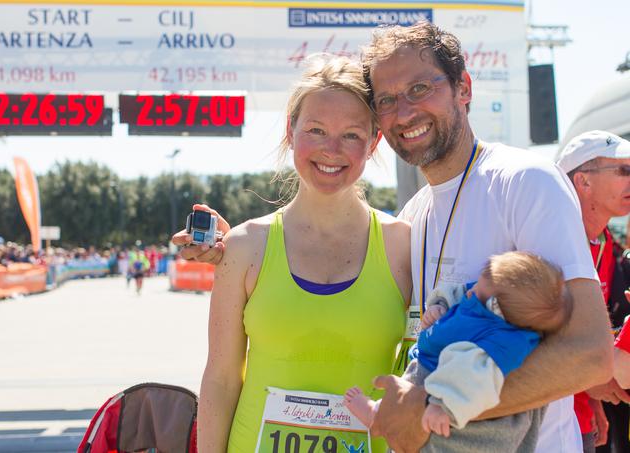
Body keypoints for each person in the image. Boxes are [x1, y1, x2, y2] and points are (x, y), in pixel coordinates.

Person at [174, 22, 613, 453]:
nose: (405, 111)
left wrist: (432, 404)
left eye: (421, 89)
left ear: (464, 87)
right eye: (387, 99)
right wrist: (241, 253)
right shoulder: (413, 220)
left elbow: (589, 351)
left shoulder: (525, 181)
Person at [196, 55, 411, 453]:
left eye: (350, 134)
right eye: (316, 129)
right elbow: (222, 379)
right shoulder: (245, 247)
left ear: (374, 141)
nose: (332, 150)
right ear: (291, 131)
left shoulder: (404, 245)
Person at [346, 251, 573, 445]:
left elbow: (475, 375)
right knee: (404, 402)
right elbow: (455, 292)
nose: (470, 294)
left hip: (437, 377)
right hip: (424, 366)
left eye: (479, 294)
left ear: (497, 309)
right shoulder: (483, 294)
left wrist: (443, 405)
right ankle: (378, 413)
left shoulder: (506, 340)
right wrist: (439, 305)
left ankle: (378, 415)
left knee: (417, 422)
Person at [556, 130, 630, 453]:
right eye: (623, 170)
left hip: (580, 415)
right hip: (548, 422)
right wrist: (590, 380)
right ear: (583, 182)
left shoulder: (605, 245)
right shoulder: (551, 242)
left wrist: (590, 399)